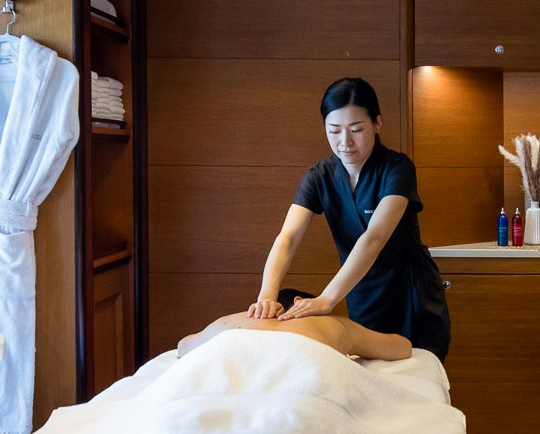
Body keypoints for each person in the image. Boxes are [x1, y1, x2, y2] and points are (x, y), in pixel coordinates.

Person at [247, 77, 451, 359]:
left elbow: (374, 237)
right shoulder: (319, 177)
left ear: (377, 123)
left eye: (356, 129)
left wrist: (327, 299)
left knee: (417, 367)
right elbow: (288, 237)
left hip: (409, 291)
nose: (345, 142)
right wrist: (267, 296)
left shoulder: (396, 168)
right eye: (334, 130)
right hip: (361, 288)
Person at [177, 311, 412, 361]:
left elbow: (183, 347)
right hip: (303, 361)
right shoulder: (331, 323)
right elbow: (402, 347)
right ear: (299, 302)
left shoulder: (232, 321)